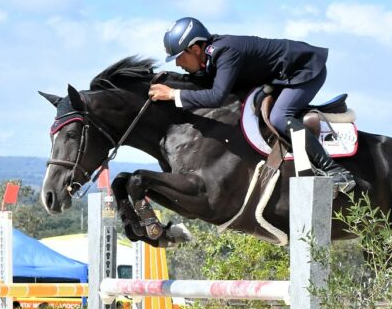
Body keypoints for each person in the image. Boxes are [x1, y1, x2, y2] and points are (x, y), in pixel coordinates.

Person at [149, 16, 355, 192]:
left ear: (194, 49)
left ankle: (336, 171)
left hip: (304, 71)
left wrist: (173, 94)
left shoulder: (225, 52)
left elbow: (216, 97)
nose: (177, 63)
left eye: (179, 57)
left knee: (279, 117)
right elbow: (204, 84)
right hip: (281, 77)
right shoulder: (210, 56)